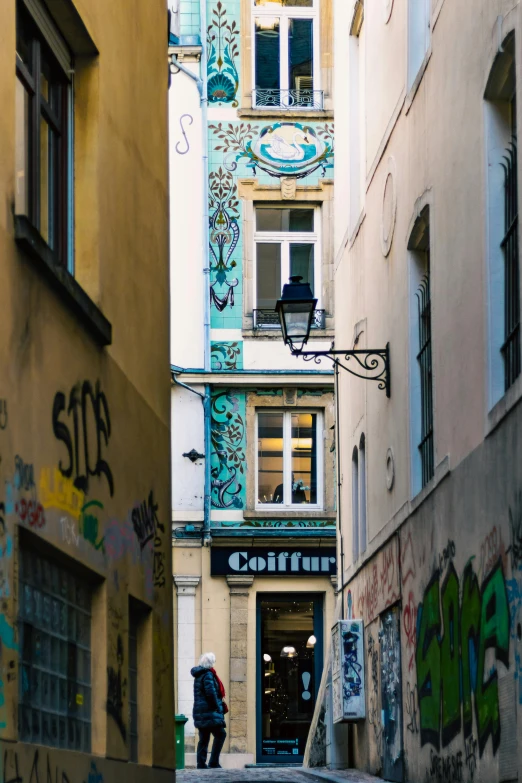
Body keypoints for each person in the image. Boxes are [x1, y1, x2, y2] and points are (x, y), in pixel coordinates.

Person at [191, 652, 227, 769]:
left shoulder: (199, 675)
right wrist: (217, 707)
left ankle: (201, 764)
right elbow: (210, 694)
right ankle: (213, 762)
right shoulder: (208, 675)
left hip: (201, 712)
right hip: (209, 712)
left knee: (204, 738)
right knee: (221, 734)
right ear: (211, 663)